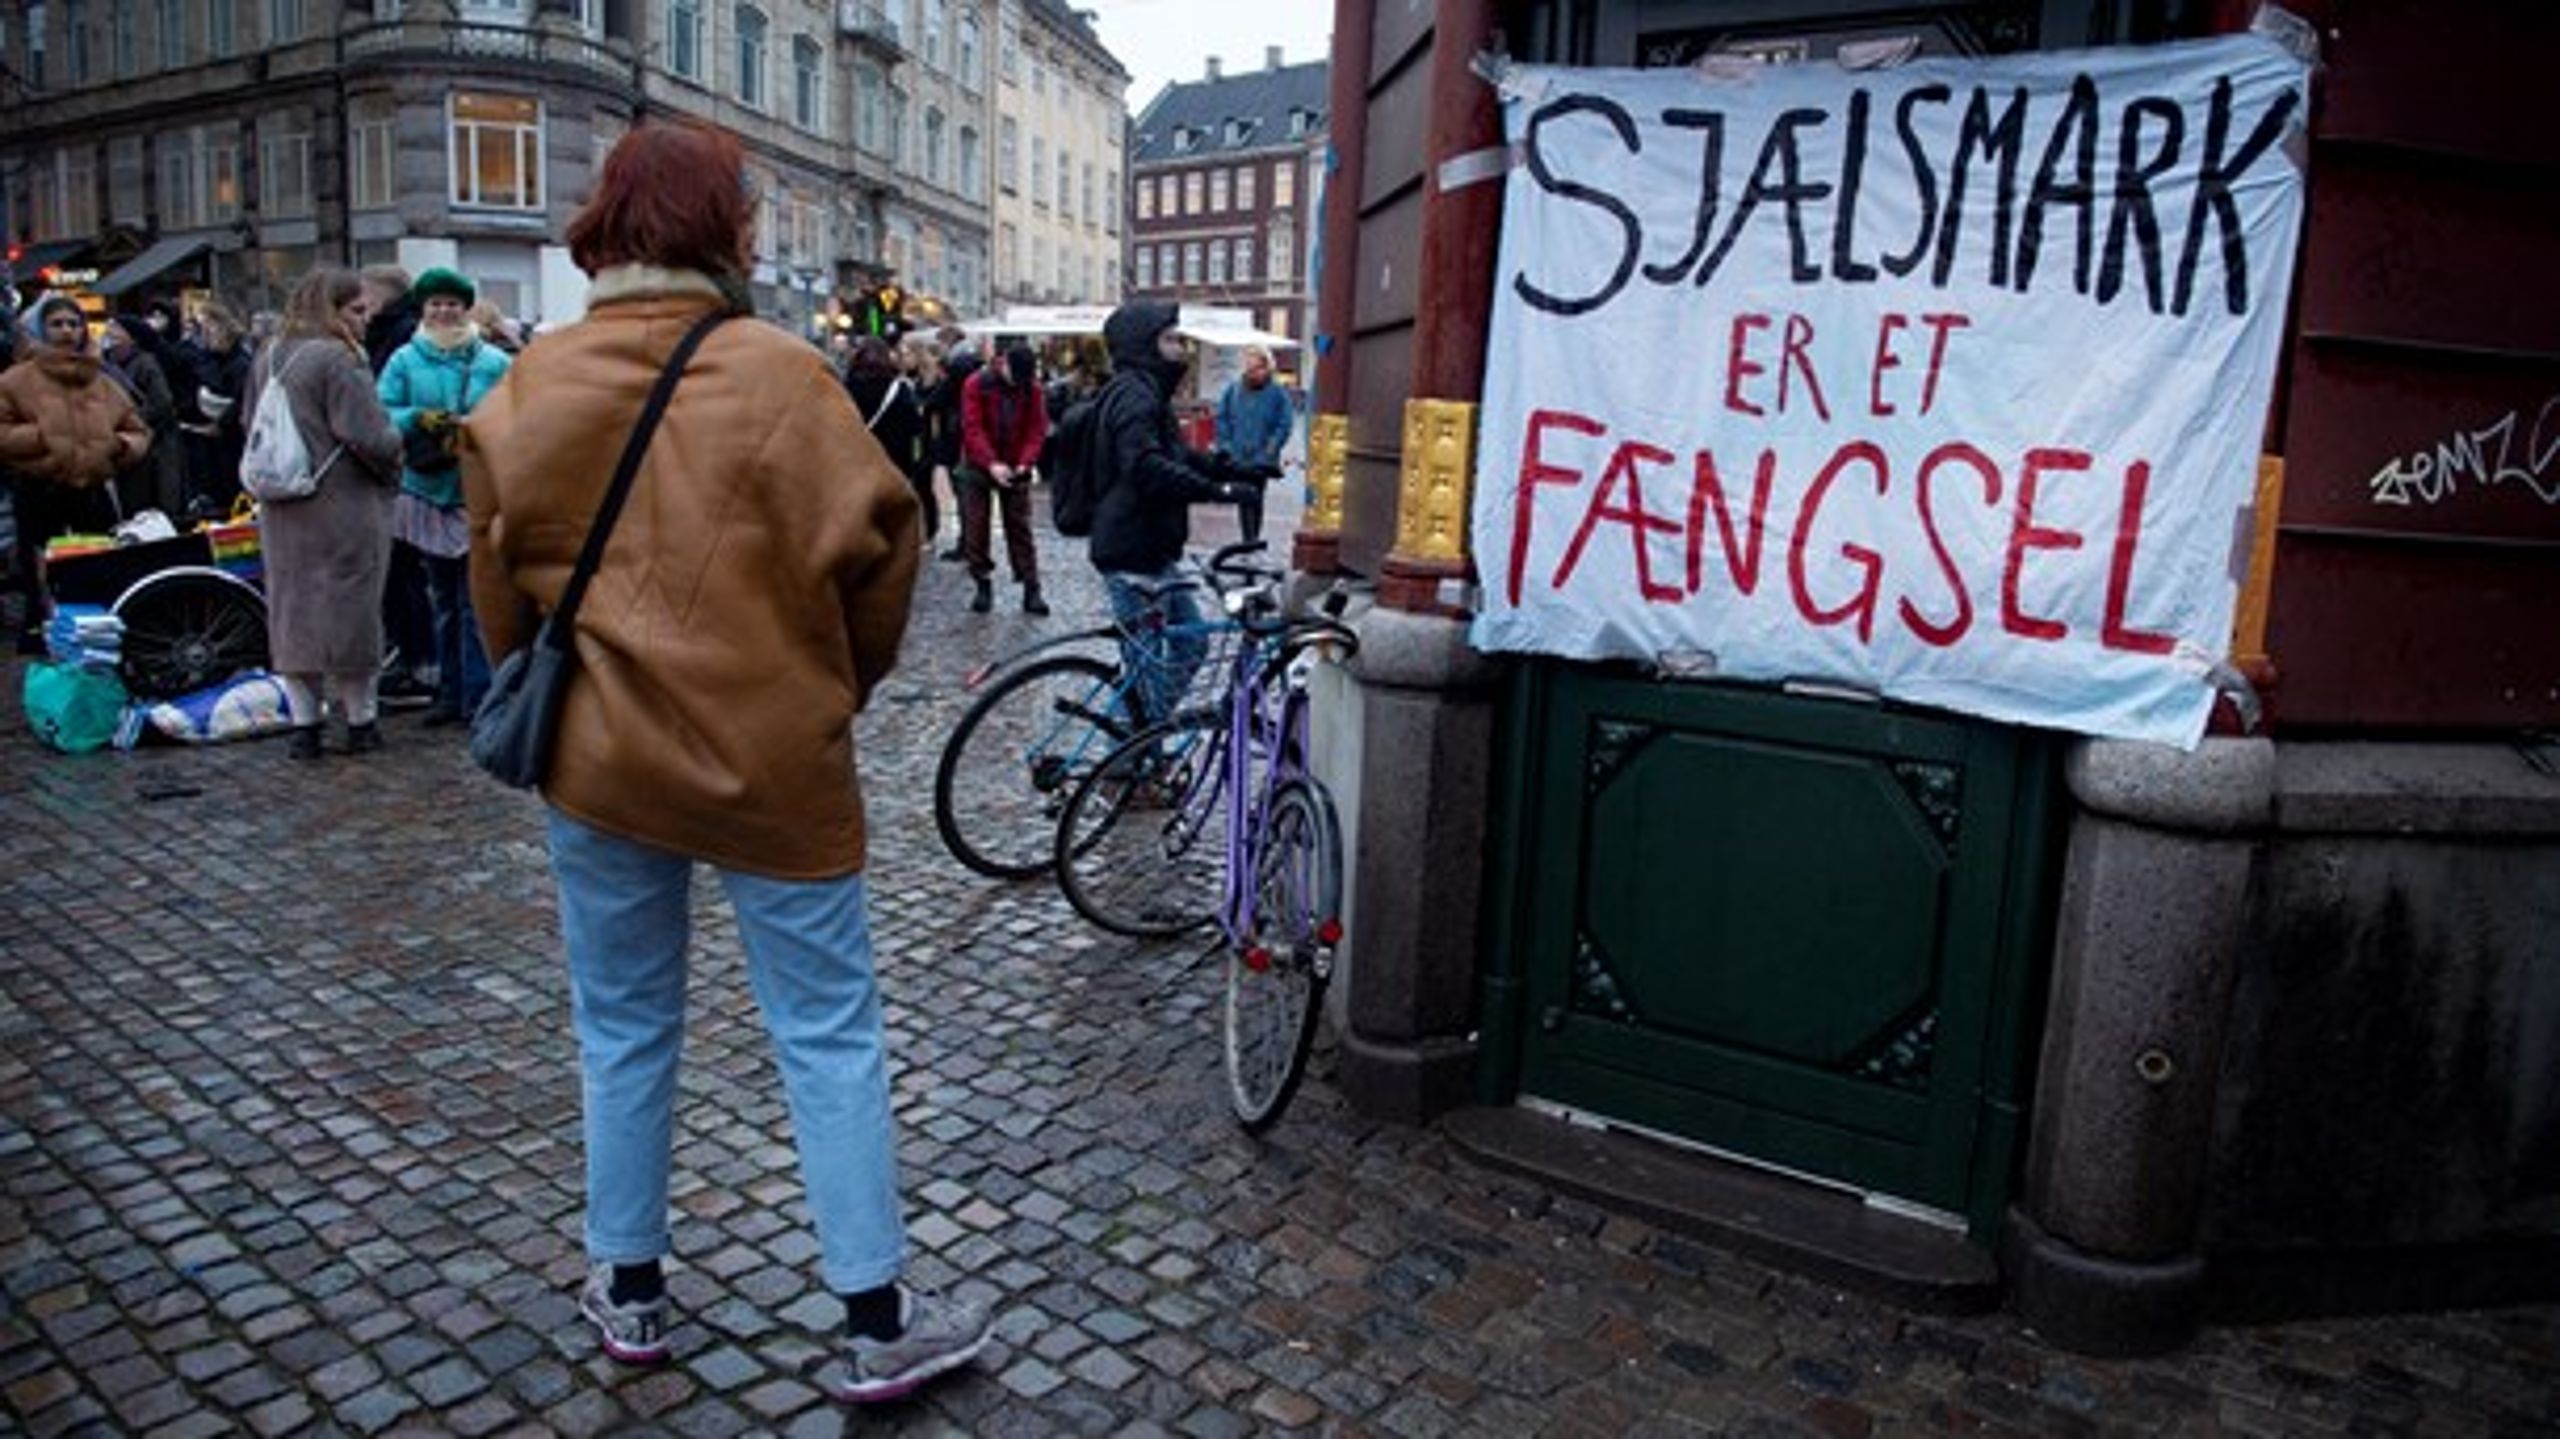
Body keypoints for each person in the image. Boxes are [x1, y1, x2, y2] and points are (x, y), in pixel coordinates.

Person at [459, 118, 985, 1406]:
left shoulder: (527, 385)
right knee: (827, 1033)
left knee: (623, 1028)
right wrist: (827, 693)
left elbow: (498, 602)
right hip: (772, 761)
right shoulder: (786, 376)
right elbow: (885, 551)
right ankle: (874, 1313)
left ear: (601, 225)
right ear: (730, 228)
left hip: (599, 759)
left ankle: (629, 1286)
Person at [1086, 301, 1267, 719]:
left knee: (1191, 643)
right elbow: (1145, 468)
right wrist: (1217, 490)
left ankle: (1139, 742)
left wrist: (1237, 469)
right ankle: (1128, 762)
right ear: (1143, 345)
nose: (1180, 348)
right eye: (1169, 339)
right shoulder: (1133, 396)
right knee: (1147, 665)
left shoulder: (1150, 392)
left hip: (1155, 549)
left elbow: (1179, 456)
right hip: (1131, 551)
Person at [254, 269, 402, 757]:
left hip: (282, 504)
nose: (364, 321)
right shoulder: (338, 359)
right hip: (343, 503)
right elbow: (369, 435)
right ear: (332, 310)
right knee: (352, 612)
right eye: (355, 311)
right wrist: (398, 452)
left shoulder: (270, 354)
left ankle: (304, 727)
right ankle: (361, 723)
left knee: (293, 612)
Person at [379, 268, 512, 728]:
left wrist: (476, 428)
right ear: (424, 309)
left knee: (476, 601)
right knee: (443, 600)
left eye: (451, 304)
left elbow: (515, 414)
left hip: (476, 490)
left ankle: (478, 695)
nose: (443, 311)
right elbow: (383, 413)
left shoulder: (494, 361)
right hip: (427, 488)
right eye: (435, 304)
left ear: (465, 308)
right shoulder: (403, 359)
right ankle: (450, 693)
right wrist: (418, 417)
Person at [0, 297, 149, 654]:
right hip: (40, 490)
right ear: (41, 329)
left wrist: (116, 446)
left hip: (92, 492)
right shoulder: (15, 380)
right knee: (43, 577)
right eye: (57, 324)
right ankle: (47, 640)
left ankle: (99, 637)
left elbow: (138, 429)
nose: (67, 331)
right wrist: (42, 439)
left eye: (73, 323)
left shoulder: (102, 380)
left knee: (101, 568)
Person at [957, 341, 1050, 616]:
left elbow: (1036, 428)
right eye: (1015, 377)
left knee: (1020, 527)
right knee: (976, 527)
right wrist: (991, 463)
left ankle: (1031, 588)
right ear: (1004, 363)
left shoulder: (1031, 388)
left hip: (1015, 463)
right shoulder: (976, 383)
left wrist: (1024, 462)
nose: (1019, 383)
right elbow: (972, 428)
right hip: (977, 466)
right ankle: (982, 583)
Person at [843, 336, 933, 545]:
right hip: (894, 461)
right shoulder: (899, 388)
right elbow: (915, 427)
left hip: (858, 460)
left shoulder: (846, 387)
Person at [101, 317, 188, 520]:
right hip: (127, 446)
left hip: (155, 444)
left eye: (116, 330)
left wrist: (133, 421)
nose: (110, 334)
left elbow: (162, 402)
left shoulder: (145, 363)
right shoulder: (108, 364)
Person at [177, 300, 254, 518]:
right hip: (213, 446)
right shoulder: (211, 359)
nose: (203, 334)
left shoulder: (240, 363)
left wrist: (221, 422)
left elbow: (242, 400)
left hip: (231, 445)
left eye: (207, 326)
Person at [1214, 345, 1292, 544]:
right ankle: (1248, 539)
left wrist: (1271, 447)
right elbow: (1221, 417)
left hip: (1261, 459)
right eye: (1249, 368)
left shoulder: (1277, 393)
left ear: (1267, 367)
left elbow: (1284, 423)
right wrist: (1226, 445)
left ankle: (1252, 538)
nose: (1252, 372)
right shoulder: (1233, 389)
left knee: (1256, 496)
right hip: (1238, 455)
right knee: (1243, 496)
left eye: (1257, 368)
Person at [919, 344, 976, 561]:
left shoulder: (952, 386)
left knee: (964, 499)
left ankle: (967, 545)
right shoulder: (976, 385)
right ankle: (971, 543)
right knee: (970, 500)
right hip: (970, 450)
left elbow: (930, 404)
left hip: (957, 449)